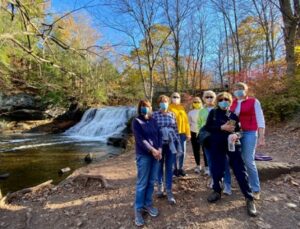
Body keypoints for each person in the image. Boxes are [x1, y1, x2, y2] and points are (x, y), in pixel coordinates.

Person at [205, 92, 257, 217]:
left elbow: (240, 131)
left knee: (240, 170)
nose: (224, 101)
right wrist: (221, 128)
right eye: (221, 99)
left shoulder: (233, 115)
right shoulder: (213, 113)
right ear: (218, 101)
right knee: (216, 169)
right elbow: (207, 128)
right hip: (217, 145)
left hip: (232, 145)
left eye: (227, 99)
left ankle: (249, 198)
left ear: (230, 101)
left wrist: (236, 135)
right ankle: (217, 191)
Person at [230, 82, 265, 200]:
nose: (238, 90)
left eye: (241, 88)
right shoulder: (232, 102)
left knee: (248, 160)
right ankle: (244, 184)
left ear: (246, 90)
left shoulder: (254, 101)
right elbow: (229, 118)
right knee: (237, 159)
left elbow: (260, 119)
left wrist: (261, 136)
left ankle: (255, 189)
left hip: (250, 132)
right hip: (236, 133)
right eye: (236, 88)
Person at [132, 100, 162, 226]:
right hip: (144, 155)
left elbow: (159, 135)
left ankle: (147, 204)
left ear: (151, 108)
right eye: (143, 106)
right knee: (142, 183)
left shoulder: (153, 120)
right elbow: (140, 139)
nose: (146, 108)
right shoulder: (136, 121)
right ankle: (138, 209)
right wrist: (152, 150)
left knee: (151, 181)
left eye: (148, 106)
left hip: (156, 154)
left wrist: (159, 149)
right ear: (140, 108)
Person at [198, 90, 232, 195]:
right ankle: (215, 180)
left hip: (222, 141)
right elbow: (204, 126)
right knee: (211, 162)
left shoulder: (228, 112)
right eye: (207, 96)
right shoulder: (207, 111)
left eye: (226, 100)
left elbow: (231, 127)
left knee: (225, 163)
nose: (209, 98)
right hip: (208, 141)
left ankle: (227, 184)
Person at [152, 95, 181, 205]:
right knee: (159, 166)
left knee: (169, 167)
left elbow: (176, 130)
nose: (163, 103)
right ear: (158, 103)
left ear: (168, 103)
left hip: (170, 145)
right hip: (159, 145)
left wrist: (178, 144)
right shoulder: (154, 115)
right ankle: (160, 187)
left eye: (165, 101)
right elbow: (152, 130)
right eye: (161, 101)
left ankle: (169, 190)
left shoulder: (172, 114)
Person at [168, 92, 191, 176]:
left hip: (182, 133)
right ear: (171, 98)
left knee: (182, 152)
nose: (176, 98)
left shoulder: (182, 108)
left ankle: (180, 168)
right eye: (174, 97)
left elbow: (186, 122)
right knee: (174, 151)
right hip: (173, 133)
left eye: (177, 97)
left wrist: (188, 133)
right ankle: (174, 169)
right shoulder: (169, 108)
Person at [188, 96, 202, 173]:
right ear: (193, 103)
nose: (196, 103)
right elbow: (189, 123)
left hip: (203, 132)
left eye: (198, 102)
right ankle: (198, 165)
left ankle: (207, 167)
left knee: (204, 150)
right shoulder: (190, 112)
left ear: (201, 102)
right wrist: (188, 134)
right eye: (195, 102)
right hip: (193, 132)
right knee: (196, 150)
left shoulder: (204, 111)